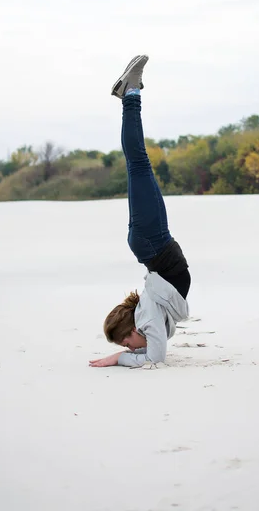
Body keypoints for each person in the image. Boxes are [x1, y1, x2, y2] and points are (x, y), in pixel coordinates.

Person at [89, 55, 191, 368]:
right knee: (137, 164)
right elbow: (154, 351)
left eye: (127, 343)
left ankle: (130, 95)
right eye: (127, 347)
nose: (132, 348)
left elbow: (155, 358)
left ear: (132, 330)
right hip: (151, 243)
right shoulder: (151, 318)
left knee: (139, 163)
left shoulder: (147, 319)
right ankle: (130, 94)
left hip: (154, 242)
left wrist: (118, 358)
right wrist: (126, 353)